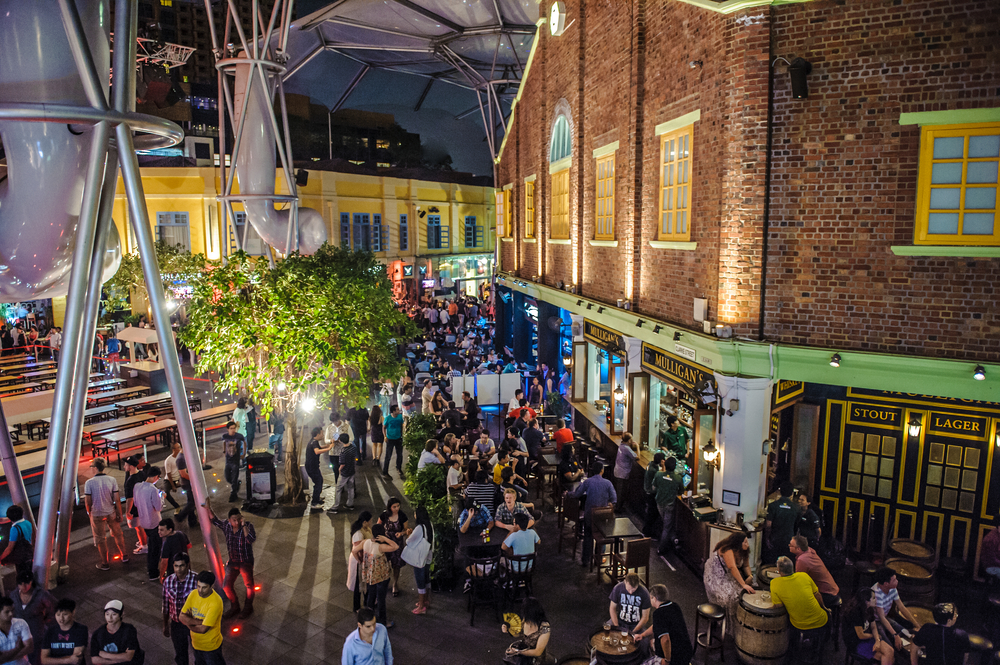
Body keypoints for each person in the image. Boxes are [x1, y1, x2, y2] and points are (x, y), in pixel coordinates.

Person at [204, 500, 256, 619]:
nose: (236, 522)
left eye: (238, 519)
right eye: (234, 520)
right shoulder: (226, 526)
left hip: (245, 561)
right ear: (229, 520)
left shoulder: (247, 526)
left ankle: (248, 607)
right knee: (226, 586)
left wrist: (243, 526)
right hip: (233, 561)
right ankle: (235, 606)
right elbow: (215, 520)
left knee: (249, 585)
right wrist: (208, 508)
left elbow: (250, 540)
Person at [769, 556, 829, 647]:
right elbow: (817, 595)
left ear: (779, 571)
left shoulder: (774, 583)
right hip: (821, 620)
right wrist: (824, 607)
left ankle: (793, 648)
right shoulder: (804, 576)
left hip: (800, 626)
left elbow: (778, 607)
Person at [568, 462, 617, 569]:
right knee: (601, 535)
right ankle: (599, 558)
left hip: (590, 515)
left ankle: (585, 560)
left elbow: (577, 494)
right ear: (602, 471)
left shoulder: (587, 482)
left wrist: (568, 493)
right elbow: (614, 499)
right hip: (601, 517)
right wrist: (608, 504)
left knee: (588, 535)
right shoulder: (608, 483)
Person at [84, 457, 128, 571]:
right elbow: (117, 499)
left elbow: (88, 502)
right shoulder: (112, 480)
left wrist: (90, 513)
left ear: (95, 468)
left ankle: (105, 563)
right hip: (110, 512)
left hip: (97, 513)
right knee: (118, 534)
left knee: (100, 538)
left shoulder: (89, 483)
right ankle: (124, 555)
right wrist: (119, 513)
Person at [635, 584, 694, 665]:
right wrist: (642, 635)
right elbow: (657, 626)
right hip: (686, 653)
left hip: (673, 658)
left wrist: (667, 660)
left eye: (650, 597)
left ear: (654, 598)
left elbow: (665, 639)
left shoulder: (658, 613)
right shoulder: (675, 606)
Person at [703, 532, 754, 624]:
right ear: (738, 543)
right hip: (716, 577)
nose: (747, 544)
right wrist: (744, 584)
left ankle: (737, 620)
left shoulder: (744, 550)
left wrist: (750, 576)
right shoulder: (727, 549)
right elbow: (732, 567)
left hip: (727, 575)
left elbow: (746, 566)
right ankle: (726, 622)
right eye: (745, 542)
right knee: (732, 596)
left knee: (742, 592)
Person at [179, 571, 225, 665]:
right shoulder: (193, 594)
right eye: (198, 586)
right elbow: (181, 616)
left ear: (211, 586)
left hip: (211, 647)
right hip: (196, 644)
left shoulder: (215, 602)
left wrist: (188, 623)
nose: (200, 590)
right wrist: (199, 622)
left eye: (204, 588)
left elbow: (203, 629)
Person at [871, 567, 922, 650]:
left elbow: (901, 607)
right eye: (894, 580)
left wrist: (917, 625)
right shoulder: (876, 593)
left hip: (885, 617)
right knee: (889, 645)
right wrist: (895, 635)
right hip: (875, 621)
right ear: (886, 584)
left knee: (905, 632)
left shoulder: (892, 589)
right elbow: (881, 618)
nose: (897, 581)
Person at [10, 570, 54, 665]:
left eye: (26, 583)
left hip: (35, 635)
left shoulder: (41, 594)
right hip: (19, 636)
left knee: (36, 659)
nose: (23, 587)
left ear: (31, 582)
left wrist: (44, 622)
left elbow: (52, 608)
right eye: (20, 584)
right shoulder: (13, 596)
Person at [842, 588, 895, 665]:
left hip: (866, 638)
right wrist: (875, 637)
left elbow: (873, 627)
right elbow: (861, 635)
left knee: (890, 651)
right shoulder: (856, 613)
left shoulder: (869, 609)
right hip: (855, 642)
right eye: (873, 598)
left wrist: (877, 640)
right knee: (887, 656)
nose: (876, 600)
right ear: (867, 601)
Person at [358, 525, 398, 628]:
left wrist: (360, 560)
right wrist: (385, 539)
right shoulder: (380, 546)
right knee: (381, 599)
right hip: (381, 576)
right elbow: (395, 546)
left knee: (371, 595)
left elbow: (354, 550)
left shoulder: (366, 542)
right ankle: (383, 622)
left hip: (370, 575)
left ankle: (368, 617)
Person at [162, 553, 198, 665]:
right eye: (176, 566)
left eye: (181, 565)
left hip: (193, 623)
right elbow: (165, 604)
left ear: (188, 565)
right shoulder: (168, 581)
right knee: (180, 654)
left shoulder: (197, 580)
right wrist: (165, 624)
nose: (178, 569)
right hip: (176, 624)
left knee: (198, 652)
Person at [133, 465, 164, 581]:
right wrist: (162, 497)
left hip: (143, 521)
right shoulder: (153, 489)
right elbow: (158, 507)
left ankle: (151, 569)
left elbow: (135, 503)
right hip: (154, 522)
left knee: (152, 546)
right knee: (155, 549)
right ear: (156, 476)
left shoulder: (137, 486)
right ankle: (153, 572)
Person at [789, 535, 839, 604]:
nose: (788, 546)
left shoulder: (802, 560)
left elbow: (798, 582)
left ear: (798, 549)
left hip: (825, 594)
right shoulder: (809, 550)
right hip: (832, 590)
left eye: (791, 545)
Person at [90, 600, 141, 665]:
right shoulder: (97, 634)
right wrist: (116, 661)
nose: (110, 618)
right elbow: (95, 660)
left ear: (122, 614)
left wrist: (104, 655)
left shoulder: (129, 630)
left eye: (114, 614)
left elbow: (128, 657)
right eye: (107, 614)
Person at [503, 598, 550, 665]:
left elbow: (538, 652)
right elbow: (519, 633)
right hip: (524, 651)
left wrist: (517, 652)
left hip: (536, 659)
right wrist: (509, 630)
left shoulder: (544, 626)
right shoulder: (526, 620)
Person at [40, 598, 87, 665]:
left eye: (65, 614)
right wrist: (68, 660)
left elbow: (76, 659)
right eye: (58, 615)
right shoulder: (50, 631)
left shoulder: (81, 630)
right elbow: (44, 660)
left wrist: (53, 660)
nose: (61, 618)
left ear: (73, 613)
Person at [653, 456, 683, 556]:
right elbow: (681, 491)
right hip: (670, 505)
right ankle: (661, 548)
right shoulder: (678, 478)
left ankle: (673, 538)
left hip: (659, 504)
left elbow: (654, 486)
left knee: (666, 524)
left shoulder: (658, 474)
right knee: (667, 526)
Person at [407, 506, 434, 615]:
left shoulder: (419, 528)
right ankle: (426, 600)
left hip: (420, 558)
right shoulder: (430, 524)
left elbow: (409, 541)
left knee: (420, 581)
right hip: (428, 555)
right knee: (426, 579)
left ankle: (421, 606)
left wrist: (409, 534)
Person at [382, 498, 409, 598]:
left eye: (398, 506)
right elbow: (378, 525)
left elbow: (407, 530)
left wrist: (401, 533)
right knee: (384, 562)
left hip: (397, 543)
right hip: (386, 542)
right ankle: (384, 580)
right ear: (390, 507)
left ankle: (395, 583)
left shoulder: (402, 516)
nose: (397, 508)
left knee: (396, 564)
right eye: (394, 507)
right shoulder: (385, 515)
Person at [764, 481, 797, 563]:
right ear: (791, 493)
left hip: (775, 538)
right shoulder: (796, 508)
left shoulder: (772, 506)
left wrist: (767, 538)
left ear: (779, 491)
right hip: (789, 539)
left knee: (773, 562)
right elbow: (797, 525)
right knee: (786, 563)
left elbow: (768, 525)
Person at [348, 513, 374, 613]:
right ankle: (357, 607)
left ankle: (367, 603)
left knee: (364, 583)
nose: (371, 522)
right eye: (370, 521)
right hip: (358, 561)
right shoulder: (358, 533)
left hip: (364, 560)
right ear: (364, 522)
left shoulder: (366, 529)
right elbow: (356, 550)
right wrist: (360, 561)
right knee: (358, 585)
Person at [122, 455, 148, 555]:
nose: (124, 466)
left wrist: (127, 511)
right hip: (143, 504)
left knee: (138, 527)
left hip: (135, 507)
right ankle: (143, 540)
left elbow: (130, 498)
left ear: (131, 466)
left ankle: (144, 545)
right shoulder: (142, 474)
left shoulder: (130, 481)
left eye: (126, 464)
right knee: (142, 525)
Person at [304, 427, 334, 509]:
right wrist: (328, 448)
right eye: (322, 433)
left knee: (319, 481)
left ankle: (316, 498)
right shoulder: (314, 442)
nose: (323, 435)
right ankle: (314, 502)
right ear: (317, 434)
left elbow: (318, 448)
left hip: (312, 466)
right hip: (312, 467)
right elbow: (317, 451)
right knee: (318, 482)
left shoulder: (313, 441)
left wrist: (325, 446)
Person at [329, 434, 358, 514]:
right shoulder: (353, 447)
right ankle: (350, 504)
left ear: (340, 441)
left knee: (338, 488)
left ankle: (335, 506)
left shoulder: (343, 451)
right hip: (352, 471)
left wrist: (339, 469)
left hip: (344, 473)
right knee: (351, 488)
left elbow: (342, 464)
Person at [1, 506, 33, 576]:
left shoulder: (15, 529)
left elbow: (9, 548)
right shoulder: (27, 523)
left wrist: (1, 558)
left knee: (22, 578)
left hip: (20, 557)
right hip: (29, 554)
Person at [0, 596, 33, 665]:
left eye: (12, 610)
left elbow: (29, 647)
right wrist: (17, 648)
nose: (11, 614)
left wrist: (5, 659)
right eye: (7, 612)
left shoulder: (21, 623)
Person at [642, 452, 665, 538]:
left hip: (647, 491)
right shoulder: (654, 471)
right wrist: (663, 467)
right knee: (652, 514)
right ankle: (648, 533)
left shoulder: (650, 464)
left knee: (650, 513)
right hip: (651, 494)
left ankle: (647, 531)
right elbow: (661, 477)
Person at [220, 422, 245, 503]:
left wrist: (243, 453)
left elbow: (244, 442)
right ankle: (237, 484)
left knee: (234, 478)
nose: (233, 430)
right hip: (228, 460)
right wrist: (224, 451)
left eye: (234, 428)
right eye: (231, 428)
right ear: (228, 429)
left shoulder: (239, 436)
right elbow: (223, 442)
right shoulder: (225, 436)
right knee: (227, 477)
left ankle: (233, 494)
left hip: (235, 460)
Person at [613, 434, 639, 511]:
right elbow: (637, 457)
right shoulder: (627, 448)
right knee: (621, 492)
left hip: (617, 470)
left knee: (619, 491)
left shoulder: (621, 445)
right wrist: (637, 446)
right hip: (622, 473)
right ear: (628, 440)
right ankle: (618, 508)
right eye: (631, 439)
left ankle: (618, 507)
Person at [382, 406, 405, 481]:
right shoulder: (388, 418)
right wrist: (385, 436)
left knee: (400, 455)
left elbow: (402, 425)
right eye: (397, 409)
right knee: (388, 456)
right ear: (393, 411)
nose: (399, 411)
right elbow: (384, 427)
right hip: (390, 439)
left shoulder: (400, 417)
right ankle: (385, 472)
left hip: (398, 438)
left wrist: (403, 434)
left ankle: (399, 468)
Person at [162, 442, 182, 510]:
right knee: (166, 492)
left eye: (180, 447)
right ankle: (177, 506)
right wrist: (173, 486)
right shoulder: (168, 460)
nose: (180, 449)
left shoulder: (181, 456)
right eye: (178, 447)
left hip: (178, 478)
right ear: (173, 449)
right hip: (169, 479)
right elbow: (168, 474)